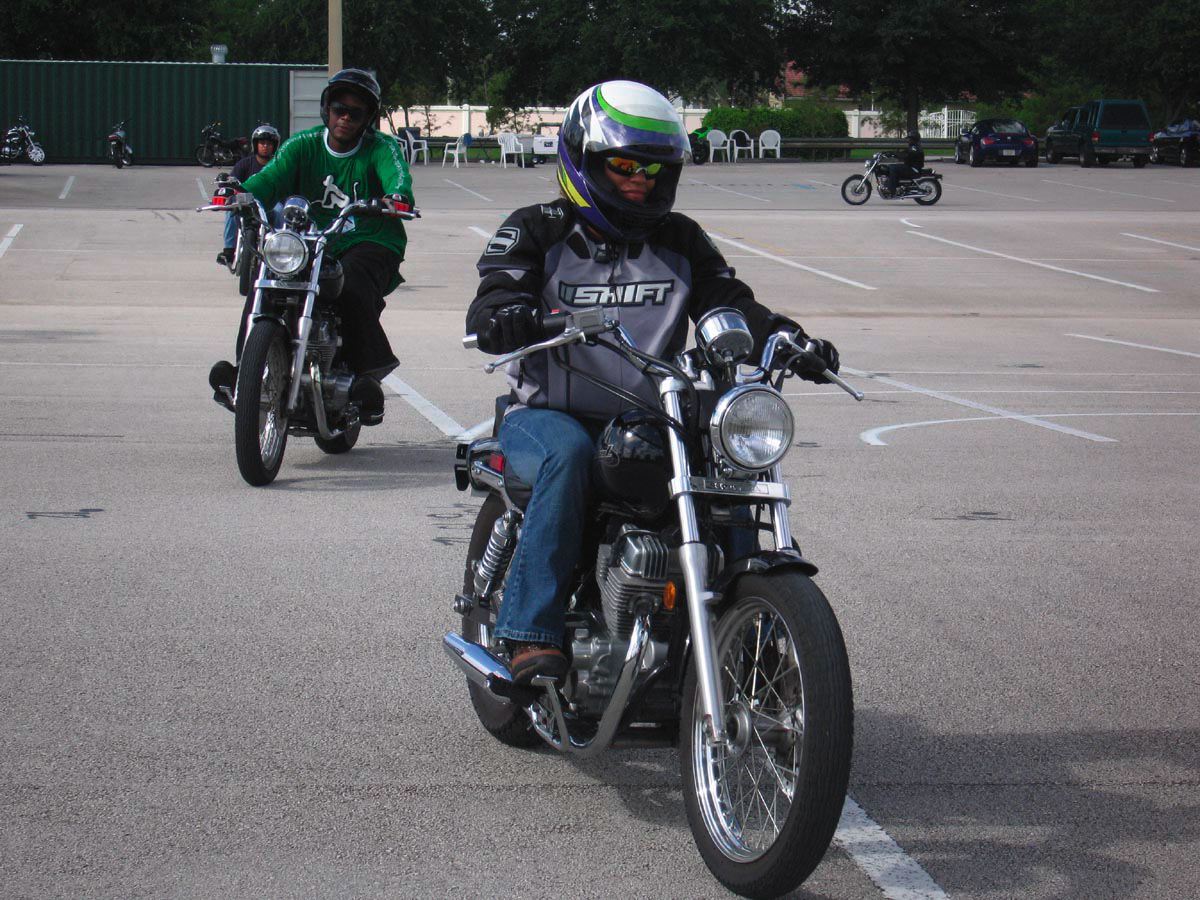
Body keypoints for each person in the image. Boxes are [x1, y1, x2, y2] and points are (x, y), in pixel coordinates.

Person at [465, 80, 841, 685]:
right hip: (547, 414)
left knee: (725, 464)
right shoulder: (538, 229)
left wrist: (784, 335)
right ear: (583, 160)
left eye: (653, 169)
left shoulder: (679, 239)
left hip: (649, 414)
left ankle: (745, 633)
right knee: (568, 455)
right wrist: (506, 314)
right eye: (623, 167)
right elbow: (494, 296)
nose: (640, 181)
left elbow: (728, 300)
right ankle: (530, 631)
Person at [207, 68, 414, 425]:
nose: (345, 118)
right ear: (326, 109)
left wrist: (397, 196)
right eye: (339, 109)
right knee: (265, 281)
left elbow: (398, 176)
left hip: (371, 237)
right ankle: (246, 372)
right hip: (312, 239)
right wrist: (240, 193)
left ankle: (366, 377)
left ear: (368, 118)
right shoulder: (301, 145)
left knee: (350, 283)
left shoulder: (382, 148)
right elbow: (269, 178)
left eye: (355, 113)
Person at [215, 124, 281, 267]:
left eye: (269, 144)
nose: (265, 146)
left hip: (272, 204)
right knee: (231, 210)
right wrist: (226, 185)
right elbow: (232, 180)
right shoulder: (245, 164)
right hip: (248, 203)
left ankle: (281, 250)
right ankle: (228, 251)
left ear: (275, 146)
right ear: (255, 144)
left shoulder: (279, 165)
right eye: (262, 143)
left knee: (281, 211)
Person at [882, 130, 925, 196]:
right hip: (910, 166)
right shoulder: (913, 147)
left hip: (914, 169)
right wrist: (890, 153)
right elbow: (904, 152)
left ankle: (891, 190)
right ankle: (893, 184)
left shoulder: (915, 148)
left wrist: (896, 155)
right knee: (892, 166)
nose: (908, 140)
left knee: (893, 168)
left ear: (914, 139)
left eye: (909, 139)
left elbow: (907, 155)